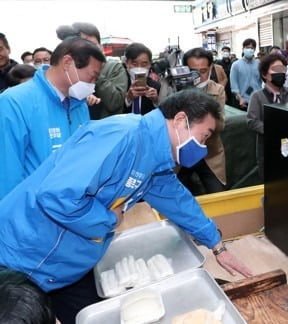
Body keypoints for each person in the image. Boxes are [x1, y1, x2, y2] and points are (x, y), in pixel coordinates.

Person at [0, 90, 252, 323]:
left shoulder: (155, 157)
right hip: (25, 256)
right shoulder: (121, 135)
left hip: (68, 263)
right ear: (180, 120)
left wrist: (217, 246)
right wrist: (109, 219)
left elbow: (178, 202)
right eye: (204, 135)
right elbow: (57, 197)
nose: (203, 146)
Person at [0, 37, 105, 200]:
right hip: (32, 214)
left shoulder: (79, 104)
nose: (92, 84)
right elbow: (8, 177)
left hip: (71, 210)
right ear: (68, 63)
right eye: (92, 76)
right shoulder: (14, 102)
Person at [178, 47, 227, 194]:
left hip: (210, 154)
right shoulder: (175, 88)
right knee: (178, 199)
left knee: (218, 195)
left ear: (211, 68)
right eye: (193, 72)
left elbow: (220, 125)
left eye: (204, 71)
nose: (198, 76)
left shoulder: (217, 90)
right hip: (180, 155)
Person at [57, 22, 129, 120]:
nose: (89, 50)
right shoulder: (68, 69)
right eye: (84, 46)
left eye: (92, 45)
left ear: (101, 47)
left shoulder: (114, 67)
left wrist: (95, 73)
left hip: (104, 128)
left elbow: (115, 103)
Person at [247, 54, 288, 180]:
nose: (280, 73)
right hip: (267, 146)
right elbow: (252, 121)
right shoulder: (257, 96)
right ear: (265, 74)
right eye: (276, 70)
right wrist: (273, 131)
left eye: (283, 69)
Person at [123, 42, 161, 115]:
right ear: (127, 63)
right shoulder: (121, 84)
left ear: (150, 64)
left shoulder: (155, 86)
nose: (139, 68)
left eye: (144, 64)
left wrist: (155, 100)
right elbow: (116, 110)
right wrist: (128, 99)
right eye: (134, 64)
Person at [230, 38, 261, 110]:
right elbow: (234, 84)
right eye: (247, 47)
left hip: (257, 100)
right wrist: (240, 98)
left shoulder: (259, 64)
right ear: (243, 48)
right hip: (242, 101)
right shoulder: (236, 65)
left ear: (255, 50)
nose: (250, 50)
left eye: (252, 48)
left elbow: (261, 82)